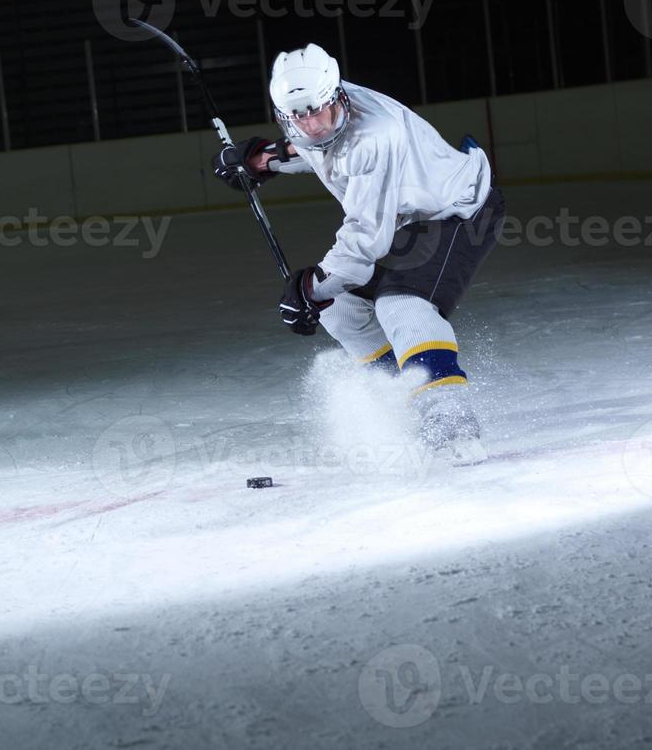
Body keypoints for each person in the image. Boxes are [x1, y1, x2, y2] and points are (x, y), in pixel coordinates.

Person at [211, 43, 504, 463]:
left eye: (319, 111)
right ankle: (404, 400)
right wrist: (264, 161)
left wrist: (311, 288)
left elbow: (367, 237)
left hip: (461, 210)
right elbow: (316, 144)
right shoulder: (323, 108)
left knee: (401, 304)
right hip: (410, 218)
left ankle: (451, 423)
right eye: (298, 116)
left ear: (338, 96)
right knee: (339, 309)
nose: (311, 124)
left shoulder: (375, 135)